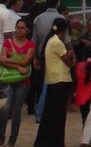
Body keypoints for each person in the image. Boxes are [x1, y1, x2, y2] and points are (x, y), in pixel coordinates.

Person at [32, 17, 72, 147]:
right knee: (59, 115)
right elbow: (68, 61)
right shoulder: (58, 43)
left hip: (52, 80)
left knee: (50, 113)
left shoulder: (50, 40)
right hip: (60, 80)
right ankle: (56, 142)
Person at [0, 17, 35, 147]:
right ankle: (0, 137)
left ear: (27, 30)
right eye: (18, 27)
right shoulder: (8, 42)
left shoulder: (30, 45)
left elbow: (26, 61)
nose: (19, 30)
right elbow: (2, 60)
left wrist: (9, 60)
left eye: (22, 28)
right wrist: (18, 67)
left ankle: (12, 140)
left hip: (23, 81)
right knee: (5, 108)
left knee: (16, 110)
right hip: (9, 79)